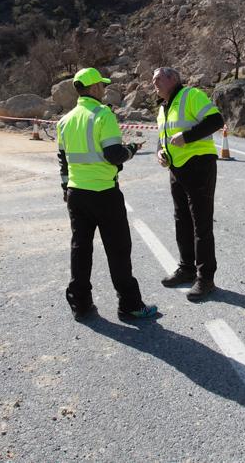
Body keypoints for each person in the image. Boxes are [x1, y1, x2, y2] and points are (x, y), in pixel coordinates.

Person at [57, 67, 157, 322]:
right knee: (118, 250)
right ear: (92, 89)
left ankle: (80, 303)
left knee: (80, 249)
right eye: (101, 85)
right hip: (104, 193)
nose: (104, 88)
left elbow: (63, 161)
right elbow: (114, 154)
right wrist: (131, 149)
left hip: (76, 194)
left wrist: (66, 188)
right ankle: (130, 305)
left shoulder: (65, 120)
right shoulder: (103, 115)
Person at [152, 67, 224, 301]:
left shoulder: (191, 95)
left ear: (173, 79)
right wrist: (160, 153)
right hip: (176, 168)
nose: (154, 83)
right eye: (153, 80)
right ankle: (186, 269)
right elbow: (162, 139)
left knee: (201, 223)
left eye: (158, 78)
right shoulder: (162, 108)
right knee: (181, 220)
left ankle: (206, 278)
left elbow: (216, 120)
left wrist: (187, 136)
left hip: (199, 165)